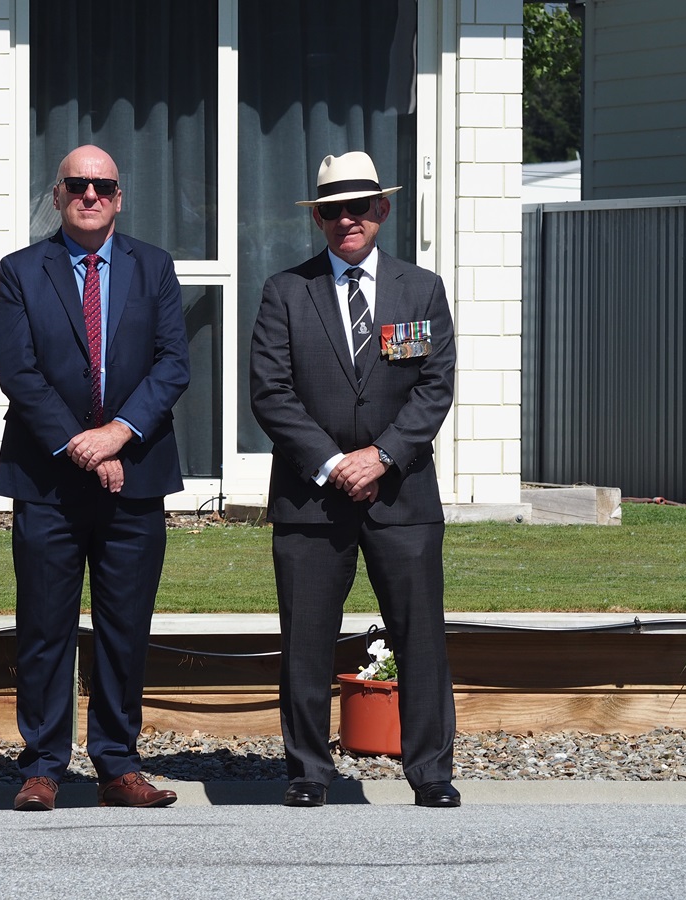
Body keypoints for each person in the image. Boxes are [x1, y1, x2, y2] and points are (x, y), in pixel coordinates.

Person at [249, 150, 460, 809]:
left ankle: (431, 773)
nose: (347, 220)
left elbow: (434, 386)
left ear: (382, 211)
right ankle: (309, 771)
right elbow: (271, 392)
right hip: (312, 499)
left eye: (359, 208)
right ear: (317, 219)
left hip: (403, 495)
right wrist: (336, 463)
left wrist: (383, 456)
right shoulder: (286, 291)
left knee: (419, 637)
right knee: (306, 641)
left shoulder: (420, 289)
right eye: (332, 210)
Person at [0, 145, 190, 811]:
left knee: (124, 626)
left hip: (135, 473)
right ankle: (43, 767)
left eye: (103, 185)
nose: (90, 195)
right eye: (77, 184)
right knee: (44, 627)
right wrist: (83, 448)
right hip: (46, 479)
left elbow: (172, 364)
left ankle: (117, 764)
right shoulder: (21, 271)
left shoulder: (155, 267)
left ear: (119, 196)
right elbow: (19, 372)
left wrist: (117, 435)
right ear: (56, 194)